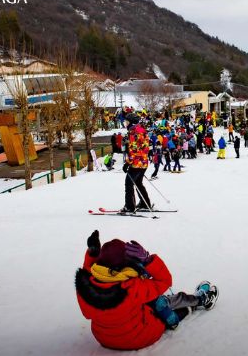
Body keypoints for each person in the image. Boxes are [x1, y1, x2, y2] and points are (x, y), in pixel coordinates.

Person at [76, 231, 218, 350]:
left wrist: (92, 254)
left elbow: (88, 270)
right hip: (139, 337)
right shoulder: (131, 287)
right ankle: (199, 300)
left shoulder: (85, 285)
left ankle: (183, 309)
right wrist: (148, 260)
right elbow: (164, 281)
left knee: (147, 300)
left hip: (104, 339)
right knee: (161, 301)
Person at [122, 114, 152, 213]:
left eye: (126, 122)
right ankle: (145, 203)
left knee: (129, 184)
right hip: (143, 162)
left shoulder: (133, 132)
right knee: (138, 183)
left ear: (131, 122)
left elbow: (134, 150)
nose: (125, 124)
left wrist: (127, 163)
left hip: (136, 163)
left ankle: (129, 207)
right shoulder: (142, 130)